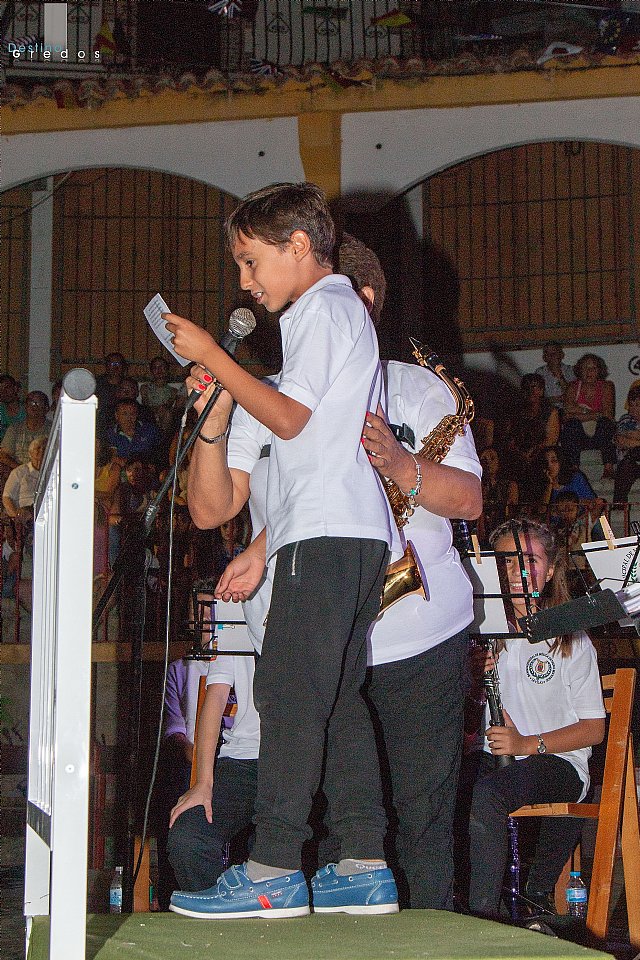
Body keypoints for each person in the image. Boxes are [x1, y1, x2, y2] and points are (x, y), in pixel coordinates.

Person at [170, 232, 482, 914]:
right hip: (311, 619)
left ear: (360, 304)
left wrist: (401, 466)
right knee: (340, 817)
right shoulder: (269, 391)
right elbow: (210, 507)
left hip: (416, 636)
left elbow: (470, 499)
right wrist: (217, 417)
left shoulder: (416, 387)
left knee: (425, 820)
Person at [165, 183, 400, 919]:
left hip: (325, 533)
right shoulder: (330, 311)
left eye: (249, 261)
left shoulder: (324, 306)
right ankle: (362, 861)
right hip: (345, 532)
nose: (244, 281)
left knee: (292, 699)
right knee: (334, 701)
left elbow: (290, 418)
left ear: (298, 246)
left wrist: (213, 356)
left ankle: (269, 869)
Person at [466, 520, 606, 920]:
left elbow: (594, 729)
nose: (516, 572)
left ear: (549, 570)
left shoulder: (570, 636)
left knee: (489, 795)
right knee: (440, 790)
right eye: (505, 561)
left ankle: (486, 917)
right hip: (499, 759)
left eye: (529, 560)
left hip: (560, 762)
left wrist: (528, 744)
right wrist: (472, 677)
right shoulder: (482, 634)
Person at [166, 654, 260, 908]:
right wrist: (203, 781)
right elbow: (215, 696)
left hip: (300, 758)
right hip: (242, 757)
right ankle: (212, 927)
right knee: (188, 840)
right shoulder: (236, 618)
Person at [561, 353, 616, 479]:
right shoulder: (573, 387)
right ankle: (574, 468)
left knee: (605, 423)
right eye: (586, 368)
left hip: (600, 435)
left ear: (599, 370)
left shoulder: (607, 386)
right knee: (571, 425)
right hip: (580, 437)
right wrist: (592, 414)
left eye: (593, 368)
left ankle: (608, 468)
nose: (589, 371)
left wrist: (578, 411)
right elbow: (566, 416)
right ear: (579, 370)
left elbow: (608, 414)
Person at [0, 391, 50, 470]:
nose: (34, 406)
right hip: (19, 473)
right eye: (31, 403)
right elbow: (3, 455)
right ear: (25, 407)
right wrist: (23, 470)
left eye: (38, 403)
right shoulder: (15, 428)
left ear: (47, 408)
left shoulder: (53, 430)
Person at [2, 436, 47, 521]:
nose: (41, 451)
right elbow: (6, 498)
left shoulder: (54, 473)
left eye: (45, 448)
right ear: (30, 453)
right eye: (38, 448)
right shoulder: (19, 472)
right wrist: (16, 517)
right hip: (24, 515)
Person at [612, 384, 640, 506]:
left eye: (638, 405)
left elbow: (628, 439)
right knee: (627, 463)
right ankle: (618, 505)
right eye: (631, 405)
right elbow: (620, 440)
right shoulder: (625, 419)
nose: (633, 409)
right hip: (630, 463)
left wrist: (633, 440)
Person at [535, 343, 575, 410]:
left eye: (554, 352)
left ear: (562, 355)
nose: (551, 355)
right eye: (547, 353)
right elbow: (535, 398)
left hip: (568, 410)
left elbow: (573, 397)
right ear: (544, 358)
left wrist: (559, 376)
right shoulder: (539, 373)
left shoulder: (571, 371)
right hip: (547, 410)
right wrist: (554, 399)